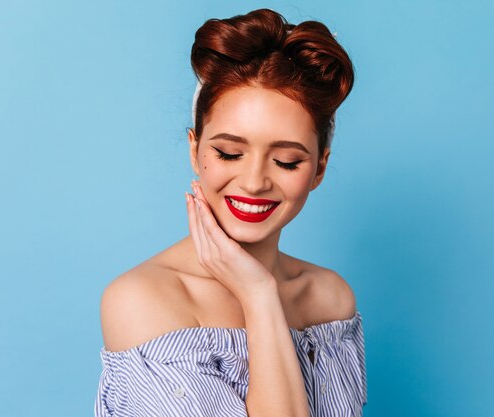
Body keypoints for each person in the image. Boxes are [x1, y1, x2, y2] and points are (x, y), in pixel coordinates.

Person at [94, 8, 367, 417]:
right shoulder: (141, 300)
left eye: (288, 161)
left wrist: (259, 291)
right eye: (229, 153)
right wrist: (258, 296)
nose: (254, 181)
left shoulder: (330, 300)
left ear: (318, 169)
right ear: (195, 149)